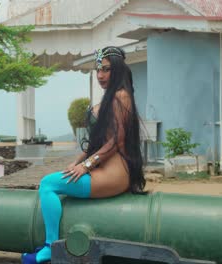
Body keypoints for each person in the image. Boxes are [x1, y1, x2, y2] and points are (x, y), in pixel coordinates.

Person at [21, 46, 146, 264]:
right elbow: (95, 144)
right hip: (105, 170)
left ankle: (50, 247)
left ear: (116, 70)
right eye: (98, 70)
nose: (100, 75)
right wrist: (75, 163)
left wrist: (86, 166)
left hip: (114, 175)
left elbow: (117, 141)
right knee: (58, 179)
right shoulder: (112, 97)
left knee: (48, 184)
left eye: (106, 70)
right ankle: (49, 245)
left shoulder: (121, 96)